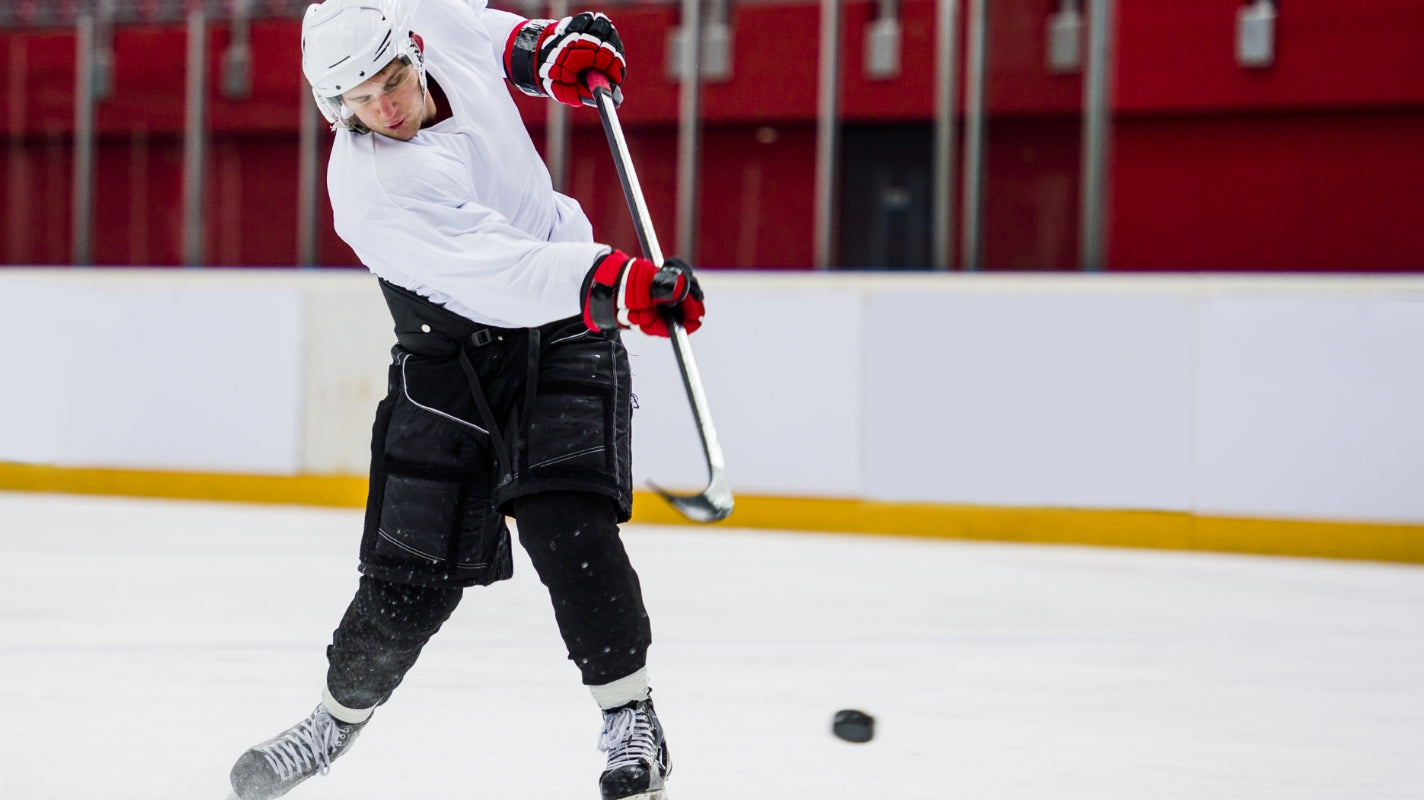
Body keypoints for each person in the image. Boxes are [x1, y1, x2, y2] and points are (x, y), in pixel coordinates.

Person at [226, 1, 705, 799]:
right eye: (362, 102)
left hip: (560, 327)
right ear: (333, 108)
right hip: (454, 356)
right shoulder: (373, 189)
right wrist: (612, 282)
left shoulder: (418, 17)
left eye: (395, 80)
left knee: (567, 521)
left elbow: (474, 28)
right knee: (409, 575)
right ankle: (334, 720)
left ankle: (631, 720)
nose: (387, 107)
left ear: (412, 49)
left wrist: (538, 50)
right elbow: (499, 273)